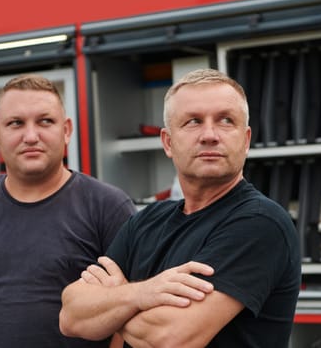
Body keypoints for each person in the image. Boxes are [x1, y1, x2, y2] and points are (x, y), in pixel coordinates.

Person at [59, 68, 301, 347]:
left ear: (245, 140)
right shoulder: (145, 222)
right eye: (193, 122)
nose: (209, 135)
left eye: (225, 120)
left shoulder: (260, 223)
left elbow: (168, 338)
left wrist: (115, 301)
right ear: (168, 142)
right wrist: (142, 294)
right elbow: (71, 316)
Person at [0, 74, 137, 348]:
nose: (31, 136)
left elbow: (129, 311)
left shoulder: (108, 207)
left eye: (45, 121)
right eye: (16, 123)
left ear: (67, 130)